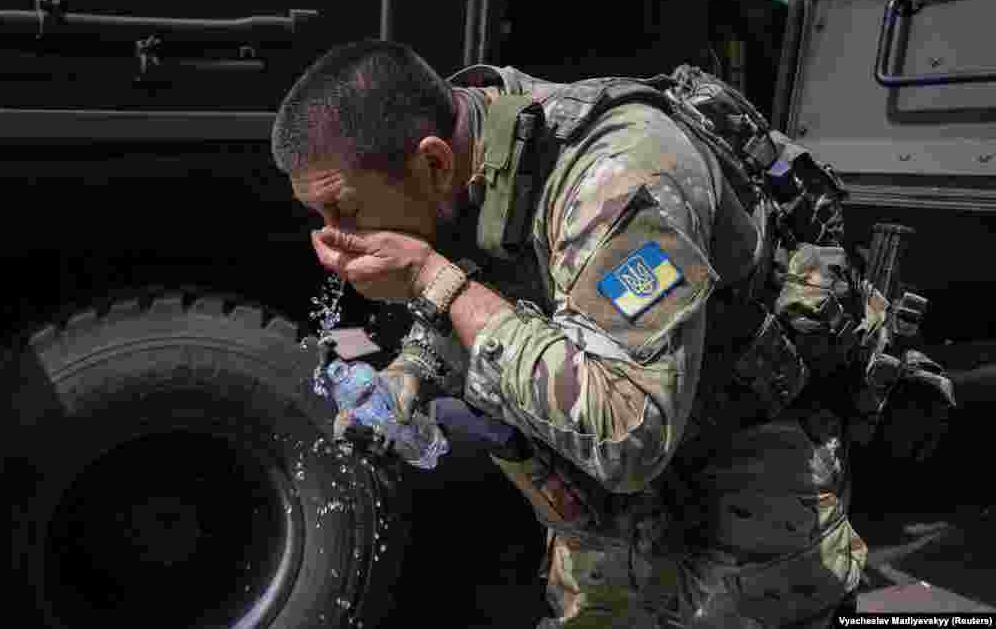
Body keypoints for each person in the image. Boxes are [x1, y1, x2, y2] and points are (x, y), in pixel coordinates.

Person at [270, 39, 866, 627]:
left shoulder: (621, 177)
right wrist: (412, 371)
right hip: (609, 516)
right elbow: (489, 277)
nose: (331, 242)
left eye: (344, 211)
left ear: (432, 163)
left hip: (743, 478)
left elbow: (627, 433)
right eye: (318, 217)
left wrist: (435, 280)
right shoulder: (468, 155)